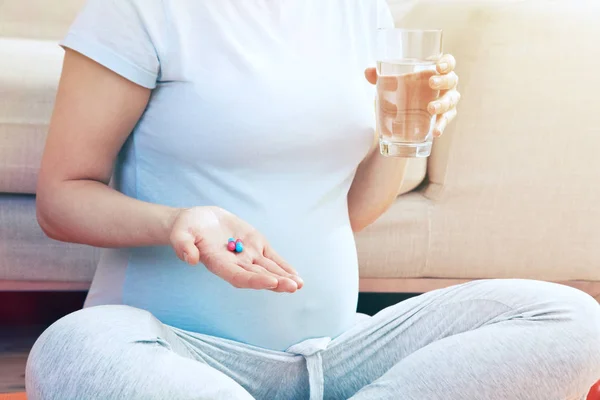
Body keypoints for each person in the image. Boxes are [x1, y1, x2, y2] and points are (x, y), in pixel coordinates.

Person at [24, 0, 600, 399]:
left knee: (571, 319)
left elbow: (346, 213)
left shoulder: (360, 10)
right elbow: (61, 198)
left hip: (342, 353)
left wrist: (402, 133)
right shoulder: (141, 9)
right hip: (182, 357)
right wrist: (180, 220)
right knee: (72, 347)